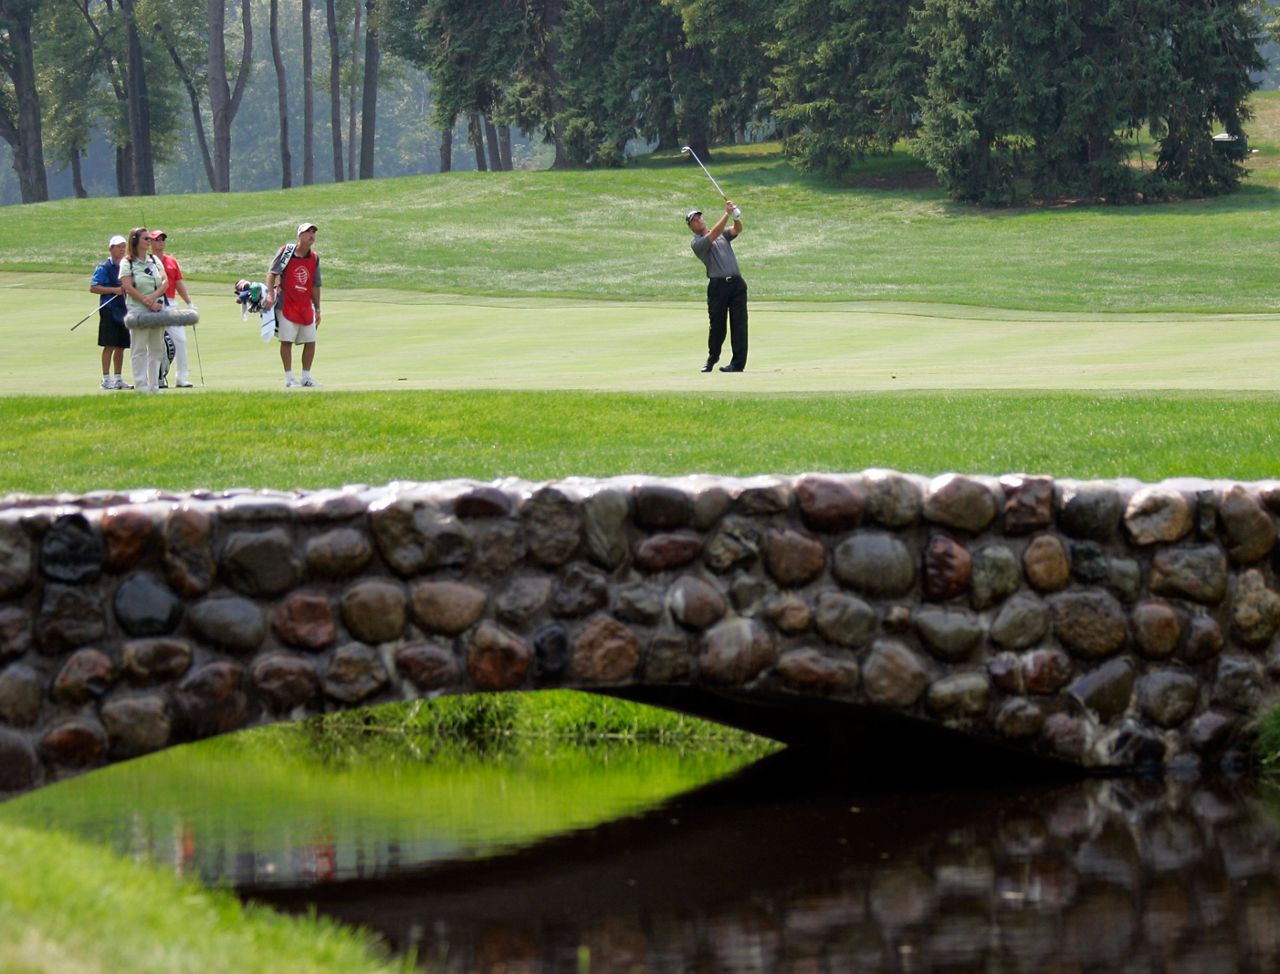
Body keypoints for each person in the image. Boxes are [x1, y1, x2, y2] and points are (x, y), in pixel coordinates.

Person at [687, 199, 748, 373]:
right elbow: (713, 234)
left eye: (699, 217)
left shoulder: (723, 234)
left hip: (736, 284)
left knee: (739, 325)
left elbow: (737, 230)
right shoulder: (697, 243)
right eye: (694, 221)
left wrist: (736, 217)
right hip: (717, 287)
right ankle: (712, 359)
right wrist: (727, 214)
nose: (698, 221)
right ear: (691, 227)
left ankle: (737, 364)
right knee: (717, 327)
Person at [263, 222, 322, 388]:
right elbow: (272, 273)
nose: (311, 235)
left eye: (313, 232)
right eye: (307, 232)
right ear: (300, 235)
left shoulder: (314, 257)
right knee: (286, 341)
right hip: (286, 304)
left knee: (311, 341)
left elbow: (315, 285)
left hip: (305, 304)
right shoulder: (286, 251)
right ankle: (289, 379)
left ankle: (306, 377)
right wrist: (270, 293)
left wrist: (317, 309)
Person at [119, 226, 169, 394]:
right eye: (146, 239)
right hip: (138, 310)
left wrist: (154, 297)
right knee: (139, 349)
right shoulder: (127, 263)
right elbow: (127, 286)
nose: (150, 241)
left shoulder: (154, 260)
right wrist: (147, 301)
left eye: (150, 239)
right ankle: (141, 386)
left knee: (156, 349)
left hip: (157, 310)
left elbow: (165, 281)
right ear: (136, 241)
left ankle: (154, 386)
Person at [148, 230, 195, 388]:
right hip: (155, 305)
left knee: (181, 340)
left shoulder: (171, 261)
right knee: (156, 343)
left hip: (172, 304)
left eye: (163, 239)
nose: (161, 242)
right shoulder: (147, 262)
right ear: (151, 243)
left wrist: (189, 303)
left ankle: (182, 378)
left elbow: (179, 284)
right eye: (157, 239)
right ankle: (155, 378)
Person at [90, 234, 131, 390]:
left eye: (123, 246)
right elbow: (93, 287)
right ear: (111, 249)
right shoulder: (104, 267)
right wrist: (114, 290)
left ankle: (118, 378)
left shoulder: (126, 265)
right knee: (109, 345)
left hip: (125, 309)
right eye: (118, 246)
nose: (121, 249)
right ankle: (106, 379)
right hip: (109, 309)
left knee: (121, 346)